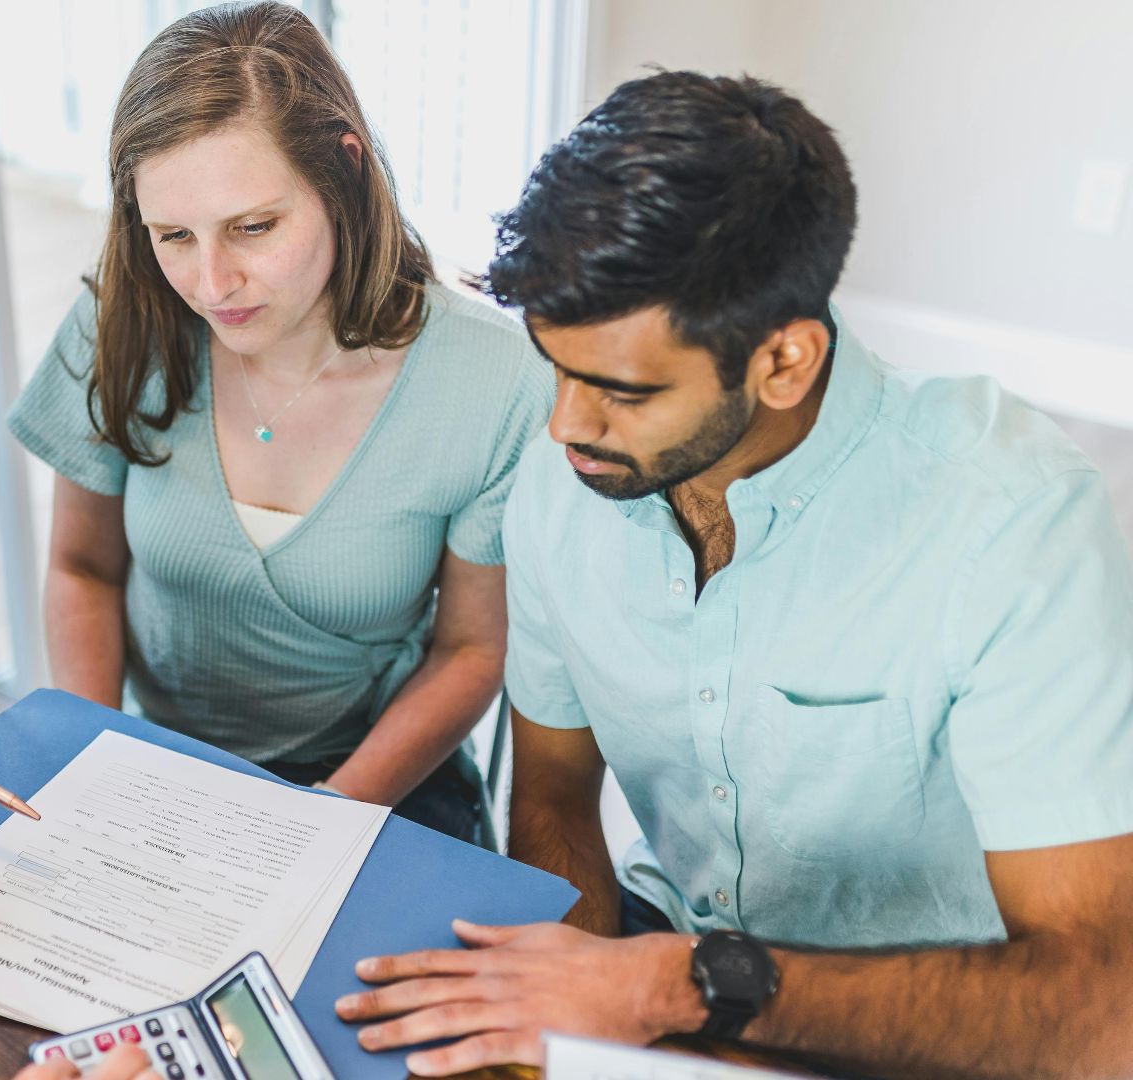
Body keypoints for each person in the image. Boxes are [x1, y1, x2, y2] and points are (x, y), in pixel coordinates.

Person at [334, 71, 1133, 1077]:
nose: (566, 427)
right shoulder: (561, 482)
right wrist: (568, 1030)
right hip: (654, 968)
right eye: (558, 368)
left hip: (935, 1022)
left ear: (784, 363)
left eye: (622, 391)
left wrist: (677, 989)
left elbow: (1102, 1012)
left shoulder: (1011, 519)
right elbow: (553, 798)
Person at [9, 1, 552, 840]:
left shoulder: (491, 375)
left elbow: (471, 650)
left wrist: (324, 818)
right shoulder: (123, 323)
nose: (213, 282)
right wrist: (95, 759)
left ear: (344, 171)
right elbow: (83, 567)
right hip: (151, 760)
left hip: (375, 774)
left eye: (253, 227)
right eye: (174, 235)